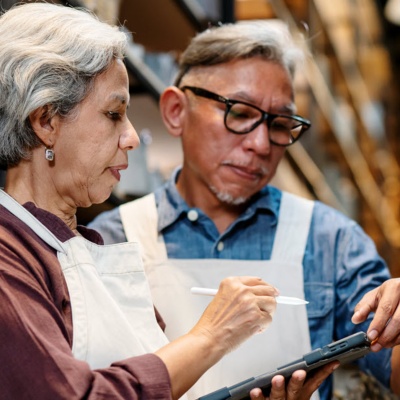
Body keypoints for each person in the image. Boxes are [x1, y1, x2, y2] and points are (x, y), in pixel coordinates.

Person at [0, 3, 335, 399]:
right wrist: (212, 335)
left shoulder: (90, 253)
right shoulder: (10, 257)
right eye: (113, 114)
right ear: (46, 122)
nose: (133, 137)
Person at [89, 18, 400, 400]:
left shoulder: (331, 241)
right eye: (238, 112)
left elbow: (392, 366)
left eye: (280, 123)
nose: (261, 144)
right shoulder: (107, 244)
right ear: (175, 111)